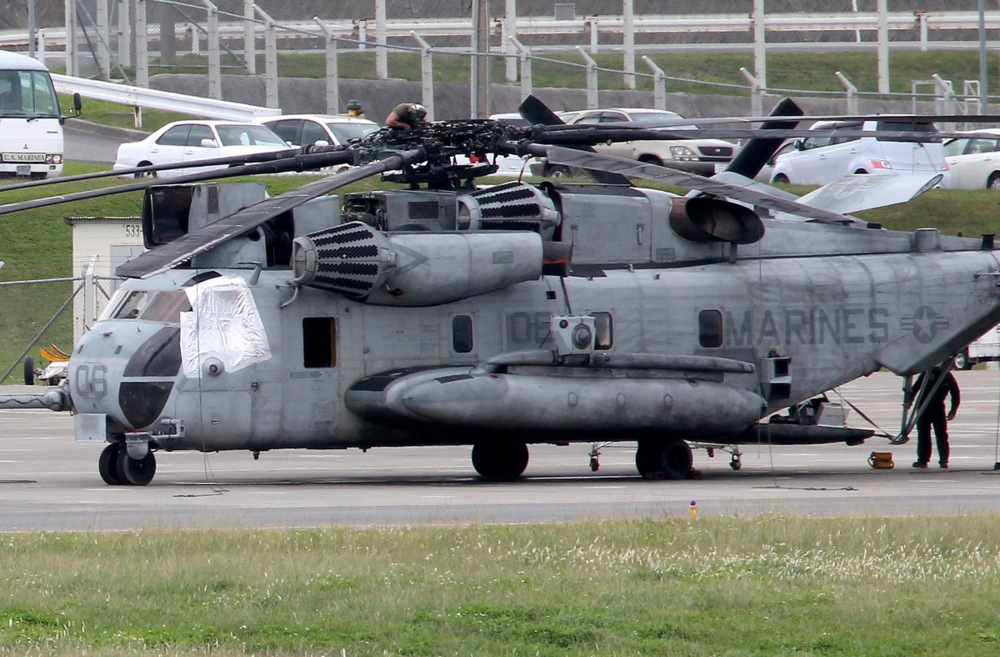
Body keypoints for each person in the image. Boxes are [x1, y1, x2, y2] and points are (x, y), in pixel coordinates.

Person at [911, 365, 960, 469]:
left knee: (941, 435)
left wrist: (953, 411)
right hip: (923, 407)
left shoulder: (947, 376)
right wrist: (909, 401)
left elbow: (955, 394)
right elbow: (916, 388)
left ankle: (943, 460)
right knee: (923, 435)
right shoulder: (927, 373)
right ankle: (922, 460)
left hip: (938, 408)